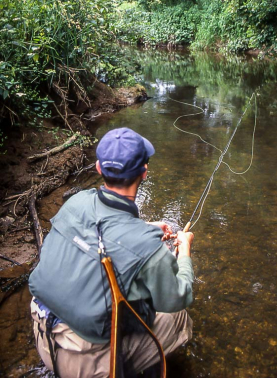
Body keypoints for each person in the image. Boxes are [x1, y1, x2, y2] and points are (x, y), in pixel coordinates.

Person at [28, 127, 194, 378]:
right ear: (144, 173)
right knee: (177, 315)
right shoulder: (149, 249)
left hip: (44, 338)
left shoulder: (77, 200)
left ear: (98, 168)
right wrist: (185, 251)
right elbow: (179, 296)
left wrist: (147, 228)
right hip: (82, 366)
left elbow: (93, 229)